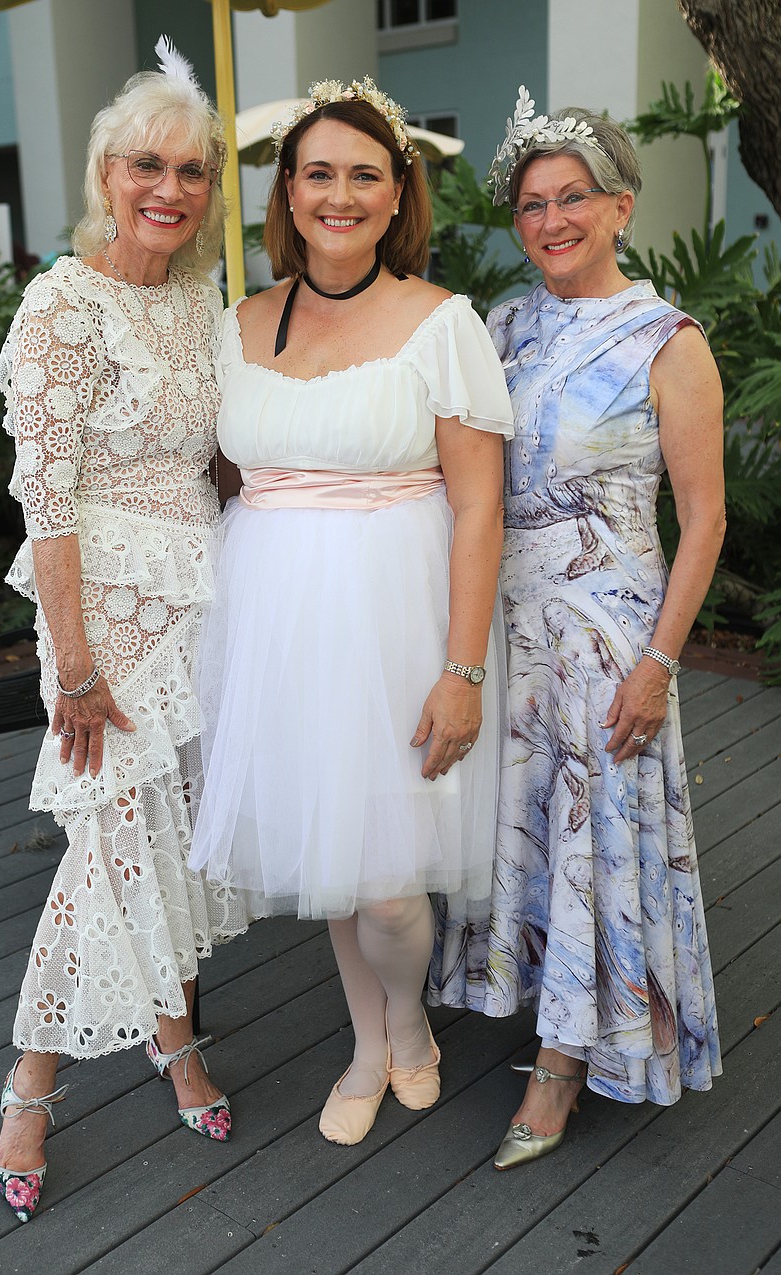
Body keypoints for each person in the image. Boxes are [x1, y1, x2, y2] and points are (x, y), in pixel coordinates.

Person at [189, 78, 513, 1147]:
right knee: (333, 850)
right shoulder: (237, 326)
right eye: (318, 173)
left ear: (394, 193)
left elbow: (477, 507)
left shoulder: (442, 323)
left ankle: (409, 1018)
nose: (339, 195)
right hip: (279, 623)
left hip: (398, 621)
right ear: (288, 190)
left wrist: (460, 672)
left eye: (362, 175)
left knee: (386, 888)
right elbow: (226, 482)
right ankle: (370, 1045)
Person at [430, 87, 725, 1169]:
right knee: (525, 823)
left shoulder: (666, 339)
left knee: (596, 834)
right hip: (512, 627)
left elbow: (704, 521)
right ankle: (535, 1000)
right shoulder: (499, 325)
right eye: (531, 205)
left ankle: (562, 1069)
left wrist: (656, 666)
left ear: (620, 206)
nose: (549, 221)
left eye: (573, 199)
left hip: (611, 636)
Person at [0, 38, 247, 1225]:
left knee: (172, 834)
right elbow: (44, 498)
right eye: (147, 164)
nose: (170, 189)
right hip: (100, 612)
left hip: (204, 592)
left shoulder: (204, 302)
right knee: (109, 845)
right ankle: (30, 1092)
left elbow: (225, 461)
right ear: (107, 174)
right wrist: (76, 665)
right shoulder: (62, 305)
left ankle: (173, 1037)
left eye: (192, 171)